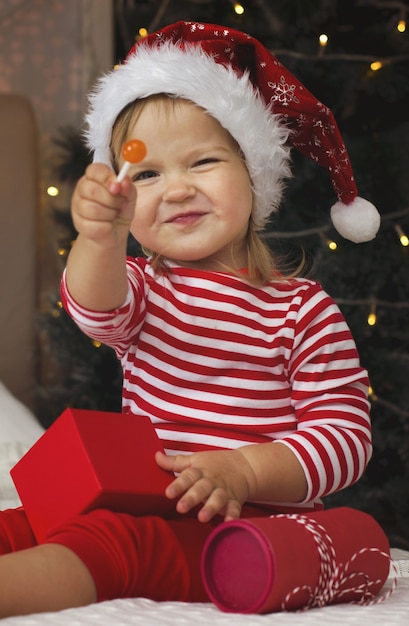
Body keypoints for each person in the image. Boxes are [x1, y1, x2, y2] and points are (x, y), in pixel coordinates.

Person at [0, 21, 380, 618]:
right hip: (142, 493)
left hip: (241, 523)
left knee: (116, 546)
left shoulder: (301, 310)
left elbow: (344, 440)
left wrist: (244, 470)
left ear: (253, 178)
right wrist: (100, 238)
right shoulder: (147, 292)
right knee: (28, 520)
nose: (175, 190)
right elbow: (95, 310)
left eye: (202, 162)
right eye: (146, 174)